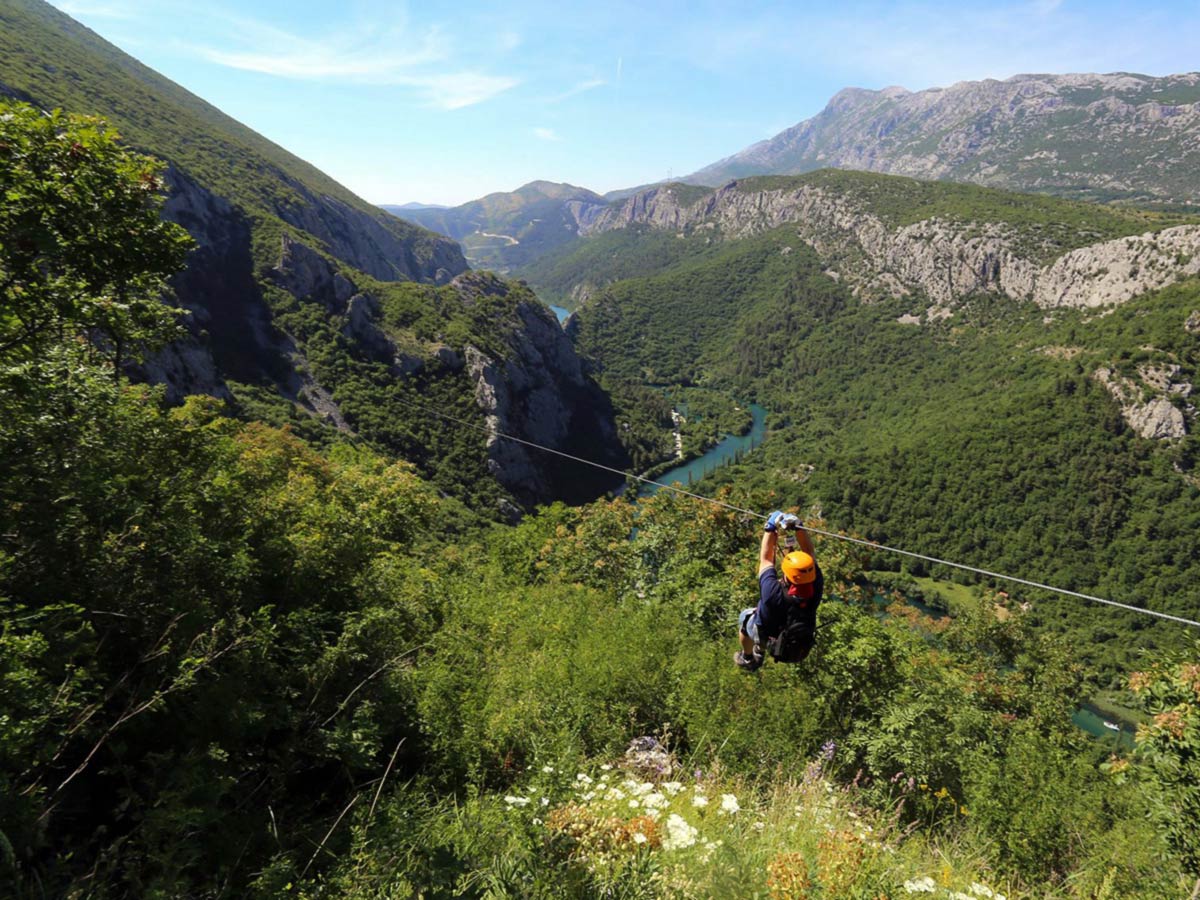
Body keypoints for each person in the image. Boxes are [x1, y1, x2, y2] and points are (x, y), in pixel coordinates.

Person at [735, 510, 824, 671]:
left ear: (787, 576)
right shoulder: (816, 585)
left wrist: (770, 528)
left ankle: (748, 657)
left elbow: (766, 559)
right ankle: (757, 650)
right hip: (795, 640)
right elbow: (809, 553)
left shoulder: (773, 592)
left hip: (767, 637)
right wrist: (799, 528)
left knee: (745, 617)